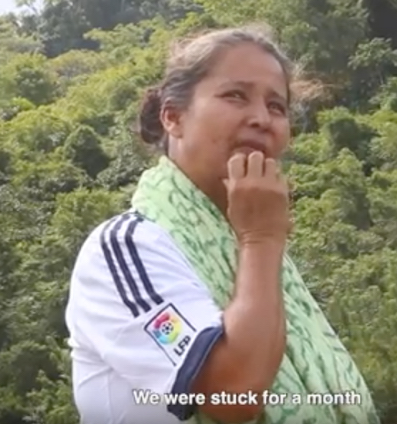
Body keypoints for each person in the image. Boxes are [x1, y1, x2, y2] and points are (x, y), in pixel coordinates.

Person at [64, 24, 379, 424]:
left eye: (277, 107)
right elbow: (232, 394)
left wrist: (259, 242)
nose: (262, 119)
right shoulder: (126, 248)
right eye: (235, 95)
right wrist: (263, 237)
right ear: (173, 117)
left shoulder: (252, 256)